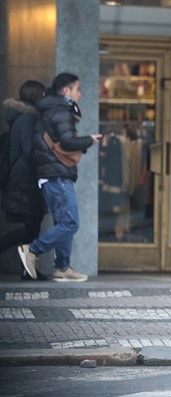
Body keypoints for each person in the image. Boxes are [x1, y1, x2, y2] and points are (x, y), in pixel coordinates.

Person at [17, 73, 102, 282]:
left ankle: (62, 266)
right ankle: (32, 250)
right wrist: (89, 140)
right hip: (56, 175)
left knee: (64, 221)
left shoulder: (51, 109)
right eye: (77, 89)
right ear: (66, 91)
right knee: (71, 222)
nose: (80, 95)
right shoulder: (60, 110)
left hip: (52, 174)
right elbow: (68, 142)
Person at [1, 80, 48, 279]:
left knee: (32, 226)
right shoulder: (27, 119)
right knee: (32, 227)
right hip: (25, 180)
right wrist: (48, 159)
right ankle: (28, 269)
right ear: (37, 96)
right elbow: (29, 151)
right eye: (43, 94)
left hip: (19, 178)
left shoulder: (19, 117)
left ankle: (28, 270)